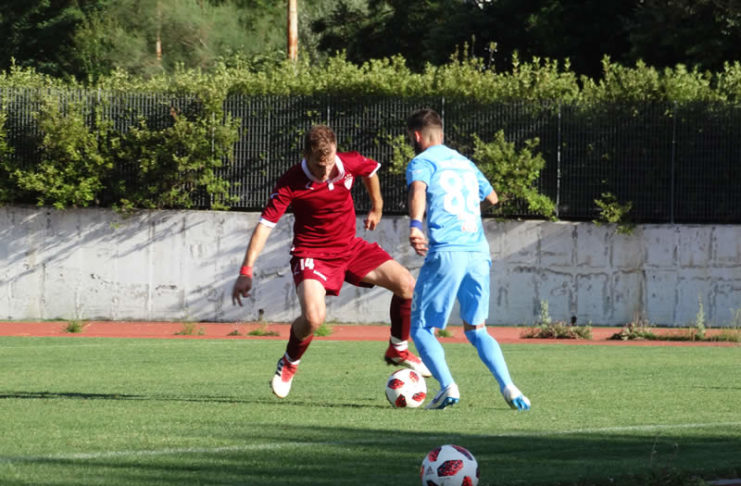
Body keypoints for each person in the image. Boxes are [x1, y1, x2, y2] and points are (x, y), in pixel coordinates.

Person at [232, 124, 430, 399]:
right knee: (314, 318)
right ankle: (289, 361)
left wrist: (377, 206)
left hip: (350, 248)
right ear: (306, 155)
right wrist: (246, 270)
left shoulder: (347, 163)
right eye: (318, 165)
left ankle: (398, 348)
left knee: (406, 284)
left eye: (329, 163)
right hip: (311, 254)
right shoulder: (291, 181)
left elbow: (370, 171)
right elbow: (265, 226)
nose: (325, 171)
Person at [404, 108, 531, 411]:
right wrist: (466, 212)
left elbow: (418, 190)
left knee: (420, 328)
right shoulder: (465, 163)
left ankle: (447, 386)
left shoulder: (422, 162)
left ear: (417, 136)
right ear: (441, 134)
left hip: (447, 251)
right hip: (478, 253)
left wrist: (416, 225)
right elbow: (492, 198)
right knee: (477, 329)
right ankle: (509, 386)